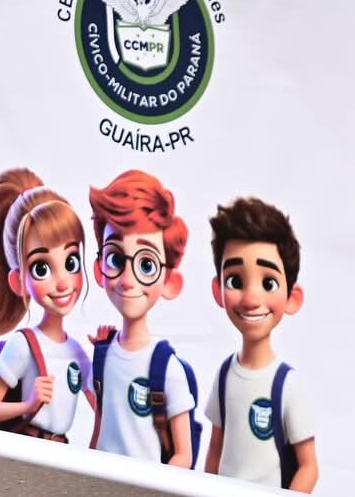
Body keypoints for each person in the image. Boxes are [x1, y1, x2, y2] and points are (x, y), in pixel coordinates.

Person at [83, 171, 198, 467]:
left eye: (146, 264)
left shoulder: (166, 368)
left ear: (170, 281)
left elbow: (183, 455)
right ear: (99, 268)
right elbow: (99, 428)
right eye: (116, 260)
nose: (128, 280)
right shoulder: (102, 356)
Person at [201, 197, 316, 486]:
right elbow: (216, 448)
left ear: (292, 298)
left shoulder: (287, 385)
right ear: (218, 291)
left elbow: (309, 467)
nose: (252, 300)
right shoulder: (225, 375)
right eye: (235, 281)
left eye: (268, 283)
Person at [0, 168, 95, 441]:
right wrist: (29, 404)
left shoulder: (78, 353)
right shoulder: (23, 345)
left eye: (70, 262)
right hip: (28, 448)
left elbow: (103, 409)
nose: (62, 283)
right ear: (18, 281)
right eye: (41, 268)